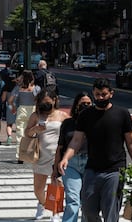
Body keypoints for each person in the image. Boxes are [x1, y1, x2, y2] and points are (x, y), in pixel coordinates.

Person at [59, 78, 132, 222]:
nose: (100, 98)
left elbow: (131, 142)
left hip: (115, 169)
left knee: (110, 211)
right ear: (93, 94)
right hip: (92, 168)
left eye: (103, 94)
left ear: (111, 94)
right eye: (97, 95)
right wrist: (65, 158)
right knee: (88, 210)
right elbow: (76, 141)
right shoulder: (86, 115)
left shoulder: (122, 114)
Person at [25, 89, 69, 221]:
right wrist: (35, 129)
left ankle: (55, 212)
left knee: (57, 185)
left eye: (48, 102)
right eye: (43, 103)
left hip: (57, 155)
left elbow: (71, 133)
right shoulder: (36, 116)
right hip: (40, 155)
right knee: (38, 188)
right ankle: (43, 203)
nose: (46, 106)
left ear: (54, 101)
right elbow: (27, 133)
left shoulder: (62, 115)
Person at [52, 91, 93, 222]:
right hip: (70, 163)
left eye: (88, 104)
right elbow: (60, 147)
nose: (86, 106)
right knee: (73, 199)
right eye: (82, 104)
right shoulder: (68, 123)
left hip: (90, 162)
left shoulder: (96, 122)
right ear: (76, 105)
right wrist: (55, 170)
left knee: (87, 201)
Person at [8, 70, 41, 163]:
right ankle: (34, 153)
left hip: (22, 109)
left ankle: (20, 156)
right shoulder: (36, 88)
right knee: (34, 133)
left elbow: (10, 100)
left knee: (20, 133)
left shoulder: (18, 88)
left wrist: (13, 108)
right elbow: (39, 100)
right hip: (33, 110)